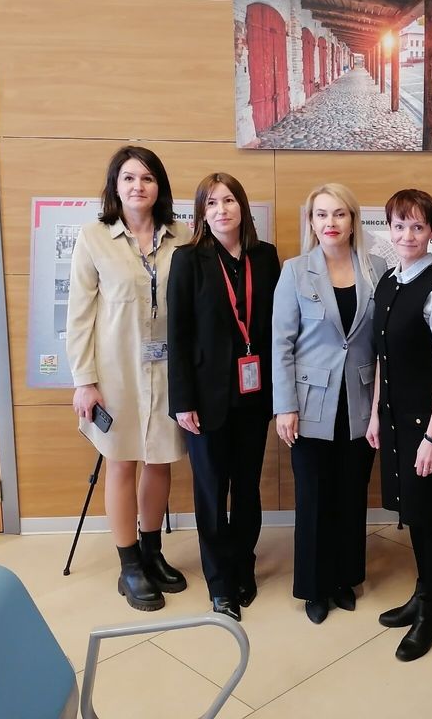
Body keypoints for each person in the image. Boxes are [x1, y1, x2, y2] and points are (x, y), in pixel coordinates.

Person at [67, 145, 190, 611]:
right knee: (121, 462)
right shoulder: (93, 237)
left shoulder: (182, 236)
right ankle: (130, 565)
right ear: (115, 186)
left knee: (159, 461)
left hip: (168, 371)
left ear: (160, 186)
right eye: (129, 178)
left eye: (147, 178)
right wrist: (85, 380)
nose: (138, 186)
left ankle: (152, 551)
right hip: (115, 373)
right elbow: (79, 315)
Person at [167, 173, 280, 620]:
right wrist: (182, 401)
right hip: (205, 398)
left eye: (229, 200)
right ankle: (219, 582)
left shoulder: (265, 257)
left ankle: (243, 565)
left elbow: (277, 328)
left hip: (254, 395)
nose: (221, 210)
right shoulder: (188, 259)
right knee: (212, 492)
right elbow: (177, 335)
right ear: (201, 213)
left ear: (242, 207)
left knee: (247, 488)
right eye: (211, 203)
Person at [272, 183, 386, 625]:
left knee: (351, 493)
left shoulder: (376, 268)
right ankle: (315, 587)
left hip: (360, 399)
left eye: (339, 214)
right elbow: (281, 345)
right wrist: (285, 406)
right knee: (313, 496)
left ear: (353, 221)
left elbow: (379, 342)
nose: (331, 222)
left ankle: (345, 579)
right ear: (311, 222)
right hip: (310, 402)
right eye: (321, 214)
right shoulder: (295, 271)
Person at [365, 189, 432, 662]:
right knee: (412, 512)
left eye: (418, 226)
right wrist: (374, 414)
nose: (407, 235)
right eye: (399, 225)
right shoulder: (389, 280)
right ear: (389, 229)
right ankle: (423, 593)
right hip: (394, 420)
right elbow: (381, 357)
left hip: (427, 424)